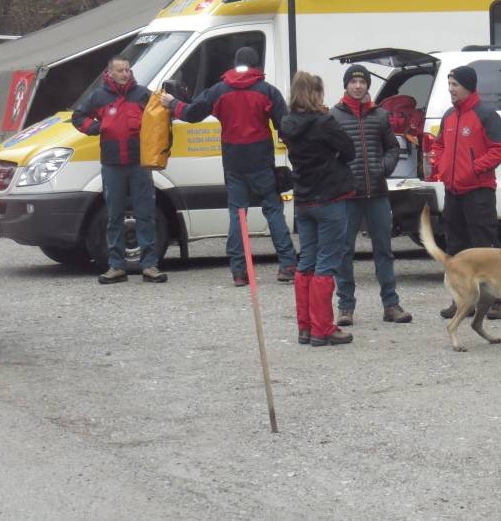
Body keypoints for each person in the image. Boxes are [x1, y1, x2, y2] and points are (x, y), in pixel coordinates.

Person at [161, 47, 298, 286]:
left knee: (238, 214)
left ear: (235, 63)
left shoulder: (219, 90)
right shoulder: (267, 91)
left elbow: (192, 114)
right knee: (273, 209)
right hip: (260, 160)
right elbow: (284, 127)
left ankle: (238, 271)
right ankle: (287, 265)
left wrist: (173, 103)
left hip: (234, 161)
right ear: (257, 65)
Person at [72, 55, 167, 284]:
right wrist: (98, 127)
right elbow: (78, 117)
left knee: (145, 214)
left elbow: (161, 116)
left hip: (139, 163)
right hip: (112, 164)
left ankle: (150, 266)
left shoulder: (142, 94)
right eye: (120, 70)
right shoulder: (99, 96)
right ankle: (116, 266)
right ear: (110, 73)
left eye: (127, 70)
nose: (125, 74)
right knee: (114, 216)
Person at [330, 64, 412, 325]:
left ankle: (391, 305)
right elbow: (328, 154)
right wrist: (339, 176)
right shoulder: (334, 116)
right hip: (347, 196)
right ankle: (345, 307)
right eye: (353, 82)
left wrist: (384, 167)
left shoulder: (380, 115)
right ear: (346, 85)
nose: (358, 86)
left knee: (384, 250)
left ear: (367, 85)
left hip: (377, 193)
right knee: (344, 252)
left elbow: (393, 148)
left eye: (362, 82)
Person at [280, 71, 355, 346]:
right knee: (326, 263)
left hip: (304, 199)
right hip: (330, 198)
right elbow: (349, 151)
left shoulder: (287, 123)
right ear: (315, 94)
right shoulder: (325, 122)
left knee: (306, 263)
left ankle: (306, 326)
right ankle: (322, 328)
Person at [432, 65, 501, 321]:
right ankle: (462, 301)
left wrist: (474, 168)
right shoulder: (449, 116)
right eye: (449, 84)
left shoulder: (486, 114)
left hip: (479, 192)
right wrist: (442, 166)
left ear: (468, 86)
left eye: (455, 84)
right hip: (453, 190)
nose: (450, 89)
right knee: (456, 248)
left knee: (485, 248)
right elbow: (439, 145)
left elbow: (499, 148)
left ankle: (499, 302)